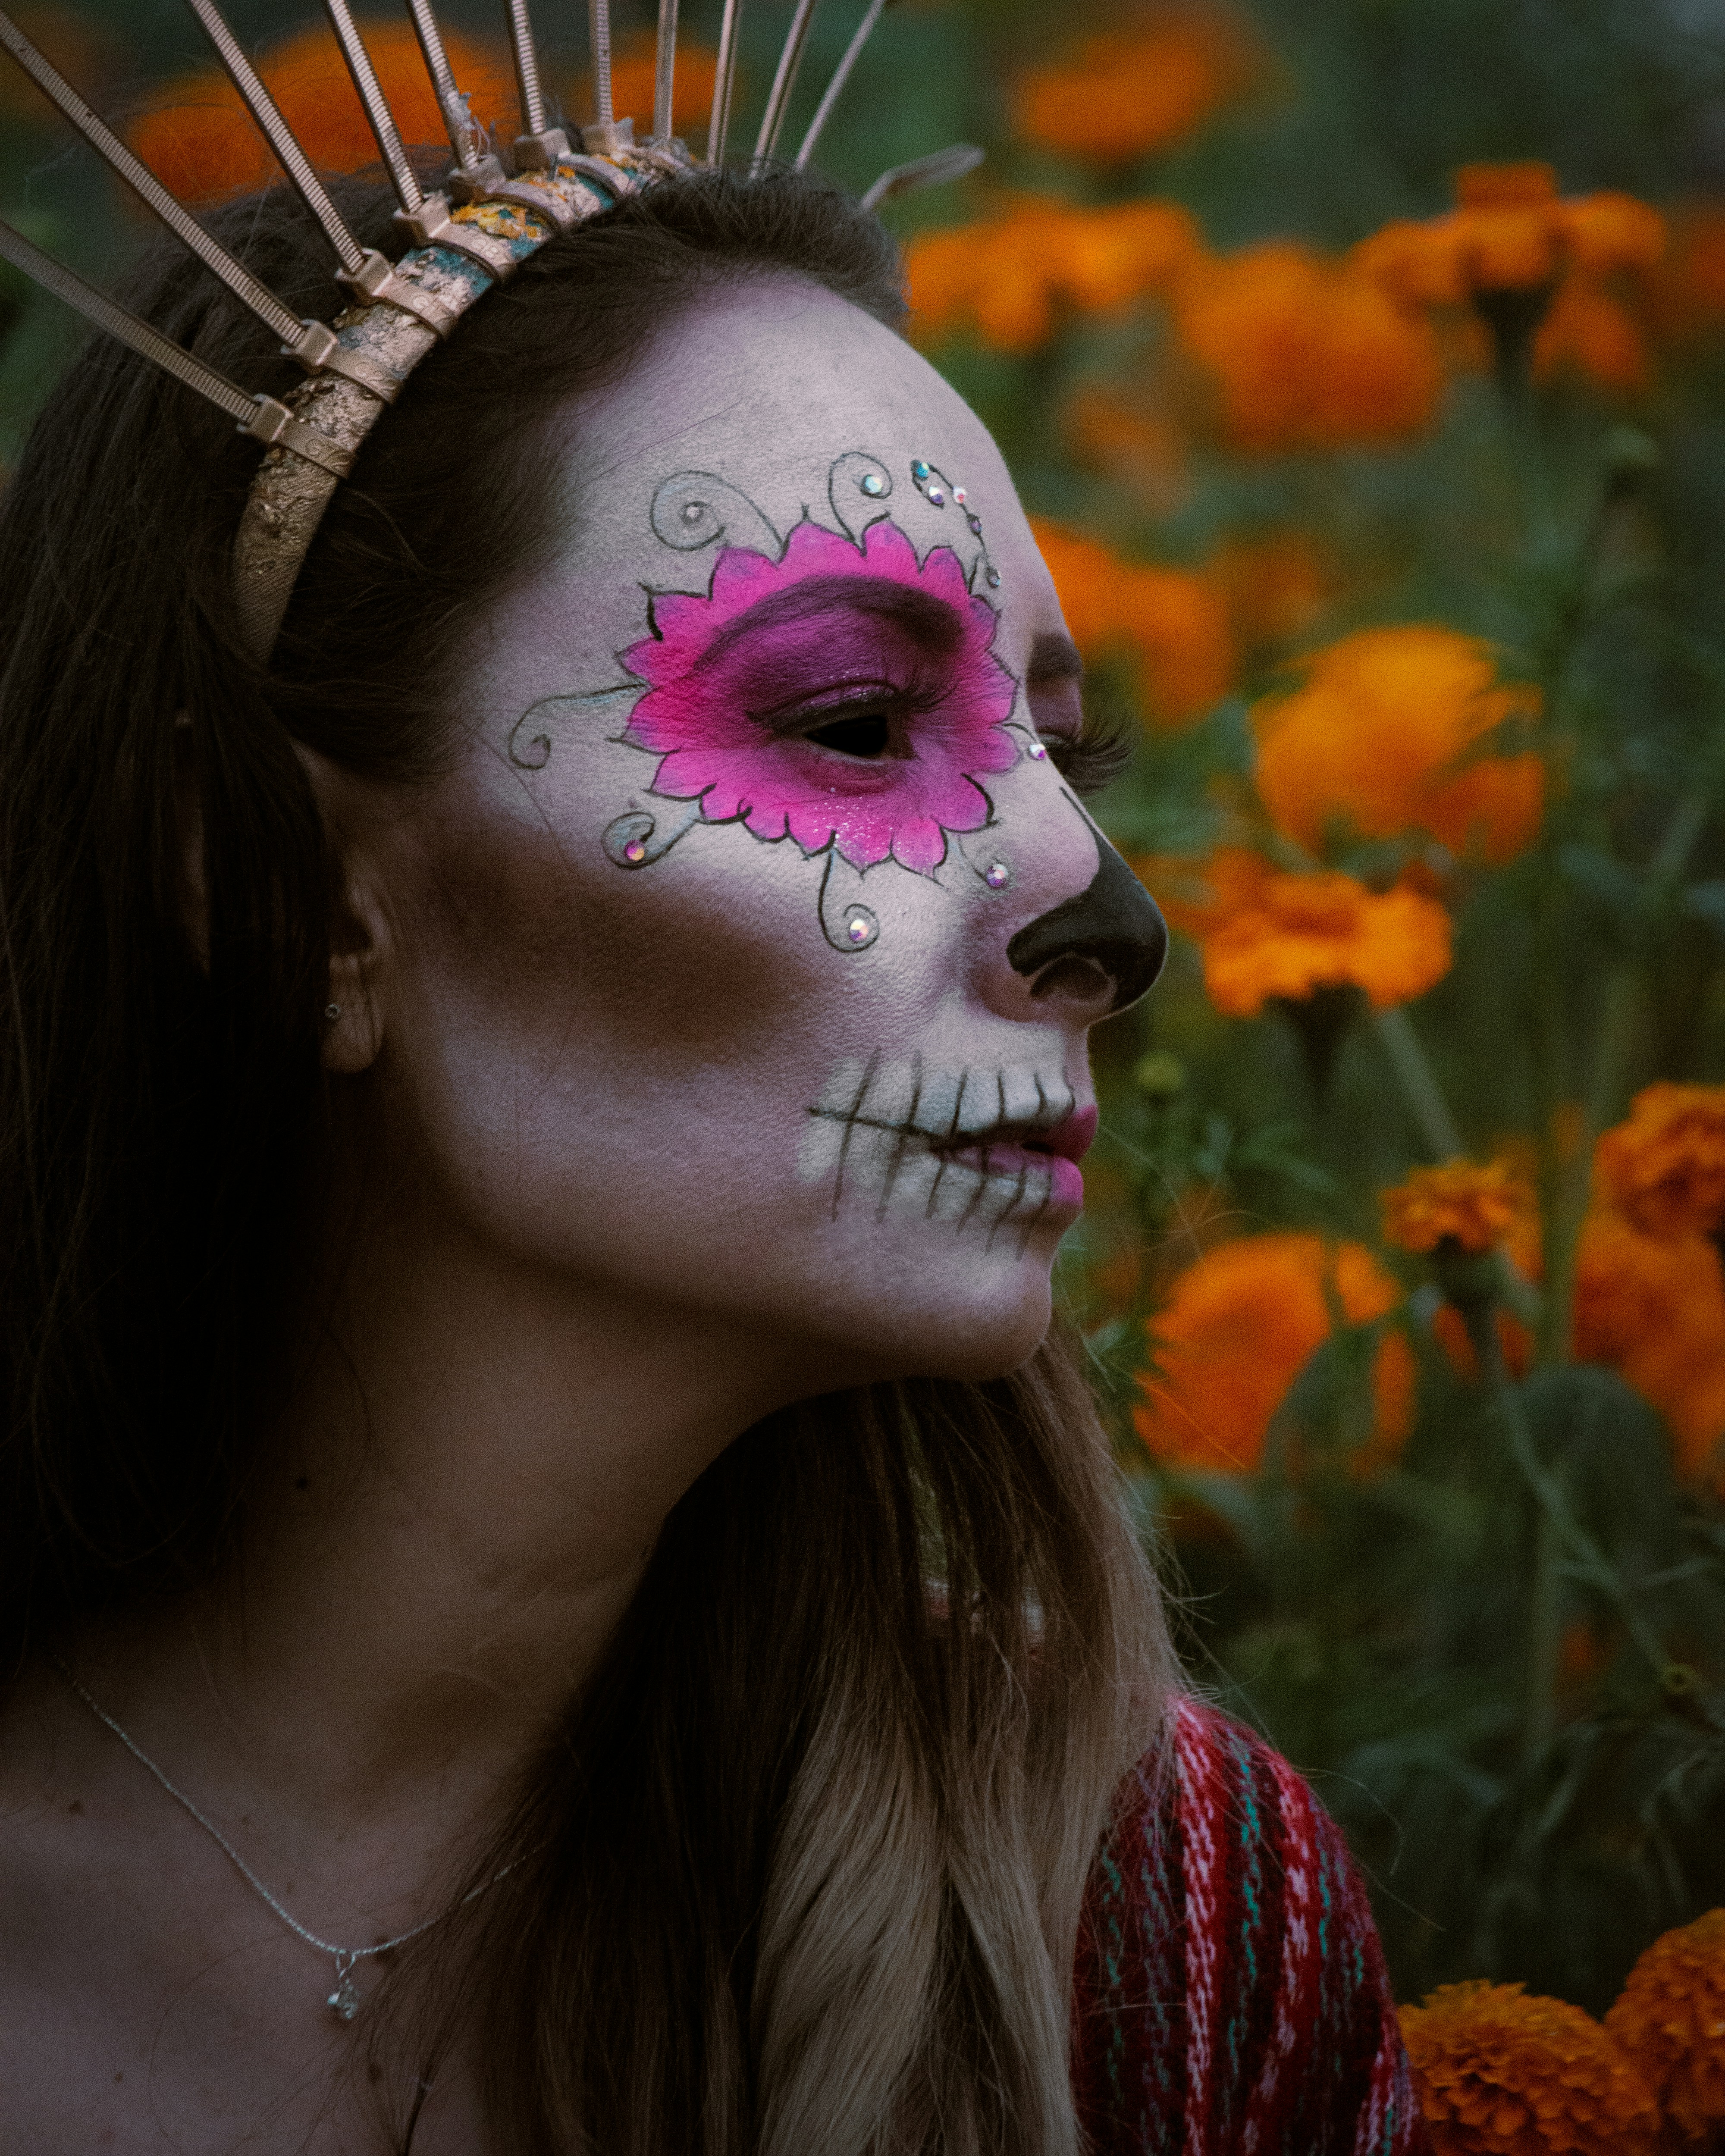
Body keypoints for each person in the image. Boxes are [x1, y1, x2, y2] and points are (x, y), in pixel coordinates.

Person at [0, 145, 1427, 2153]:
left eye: (1059, 751)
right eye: (851, 722)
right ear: (276, 897)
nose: (1098, 906)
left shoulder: (1151, 1935)